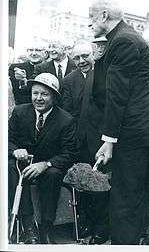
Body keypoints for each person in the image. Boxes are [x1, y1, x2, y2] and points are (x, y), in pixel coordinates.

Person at [89, 0, 149, 245]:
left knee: (125, 198)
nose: (90, 23)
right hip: (131, 130)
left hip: (131, 132)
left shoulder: (123, 41)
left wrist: (108, 140)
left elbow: (117, 94)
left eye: (91, 17)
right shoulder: (121, 38)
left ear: (104, 15)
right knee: (126, 196)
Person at [8, 73, 78, 244]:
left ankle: (46, 226)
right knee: (9, 167)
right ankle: (28, 225)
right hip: (22, 164)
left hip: (48, 167)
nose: (38, 98)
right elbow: (7, 139)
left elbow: (69, 153)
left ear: (54, 97)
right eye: (35, 93)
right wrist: (16, 150)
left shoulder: (66, 120)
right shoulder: (19, 112)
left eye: (44, 94)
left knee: (53, 174)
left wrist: (45, 164)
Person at [62, 40, 110, 244]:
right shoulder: (68, 80)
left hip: (101, 141)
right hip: (78, 141)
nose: (82, 61)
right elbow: (66, 112)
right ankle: (87, 223)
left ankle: (102, 228)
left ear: (93, 54)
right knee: (81, 185)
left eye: (85, 56)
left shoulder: (105, 74)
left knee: (100, 185)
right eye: (77, 58)